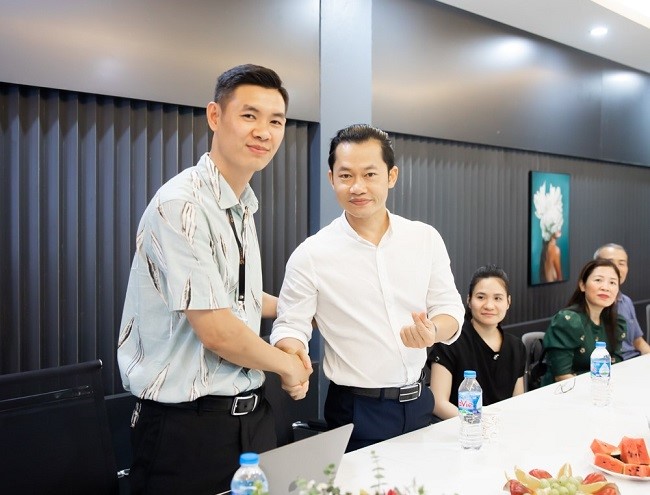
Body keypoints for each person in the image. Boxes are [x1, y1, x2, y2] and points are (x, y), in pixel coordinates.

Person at [116, 64, 312, 495]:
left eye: (276, 121)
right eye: (249, 115)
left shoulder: (240, 205)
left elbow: (233, 296)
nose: (264, 131)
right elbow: (218, 331)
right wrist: (289, 367)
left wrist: (296, 309)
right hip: (187, 430)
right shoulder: (181, 205)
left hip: (249, 422)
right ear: (215, 116)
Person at [270, 124, 464, 451]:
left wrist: (433, 330)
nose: (358, 187)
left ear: (391, 176)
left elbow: (451, 309)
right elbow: (291, 323)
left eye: (370, 174)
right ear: (331, 178)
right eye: (346, 176)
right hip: (356, 408)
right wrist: (292, 355)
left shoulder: (424, 238)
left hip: (420, 400)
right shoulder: (312, 254)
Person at [428, 265, 525, 420]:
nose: (489, 305)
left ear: (508, 302)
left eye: (497, 298)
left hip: (500, 431)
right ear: (469, 300)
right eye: (481, 297)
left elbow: (517, 401)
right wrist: (477, 423)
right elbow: (438, 403)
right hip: (460, 431)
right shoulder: (450, 341)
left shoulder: (516, 346)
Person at [541, 259, 626, 386]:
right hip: (563, 394)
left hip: (601, 390)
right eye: (598, 280)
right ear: (582, 285)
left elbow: (616, 365)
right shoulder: (568, 320)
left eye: (612, 282)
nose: (605, 287)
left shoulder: (616, 322)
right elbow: (562, 376)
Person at [594, 243, 650, 359]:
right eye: (610, 262)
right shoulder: (588, 304)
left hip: (633, 362)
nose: (616, 268)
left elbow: (638, 341)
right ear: (594, 267)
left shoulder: (626, 301)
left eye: (622, 263)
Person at [533, 181, 564, 282]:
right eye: (556, 225)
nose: (559, 227)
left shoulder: (545, 249)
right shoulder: (555, 250)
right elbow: (559, 278)